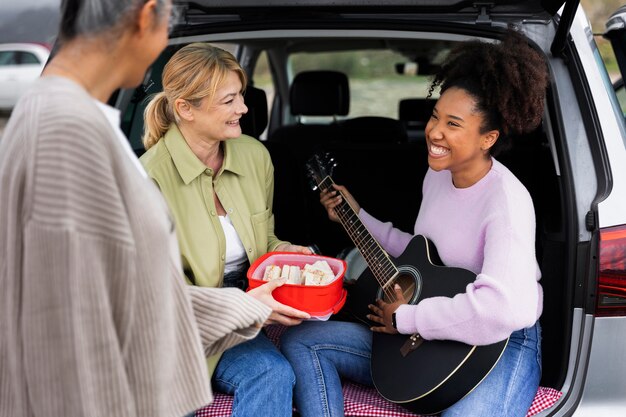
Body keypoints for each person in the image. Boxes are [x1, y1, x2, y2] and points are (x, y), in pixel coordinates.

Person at [0, 1, 305, 417]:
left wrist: (258, 297)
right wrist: (249, 306)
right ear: (147, 16)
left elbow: (131, 292)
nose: (166, 43)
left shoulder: (61, 117)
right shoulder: (65, 134)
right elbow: (68, 328)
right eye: (170, 25)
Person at [280, 29, 549, 417]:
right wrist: (354, 215)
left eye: (453, 124)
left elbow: (500, 310)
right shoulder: (438, 175)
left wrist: (407, 318)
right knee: (302, 341)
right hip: (429, 324)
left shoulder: (506, 202)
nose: (434, 132)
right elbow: (422, 254)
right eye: (435, 116)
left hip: (501, 341)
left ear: (487, 138)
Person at [140, 42, 312, 417]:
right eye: (229, 100)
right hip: (177, 327)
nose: (244, 109)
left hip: (243, 320)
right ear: (185, 108)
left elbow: (262, 242)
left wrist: (286, 254)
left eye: (242, 96)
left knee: (271, 373)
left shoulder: (255, 156)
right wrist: (247, 308)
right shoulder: (147, 179)